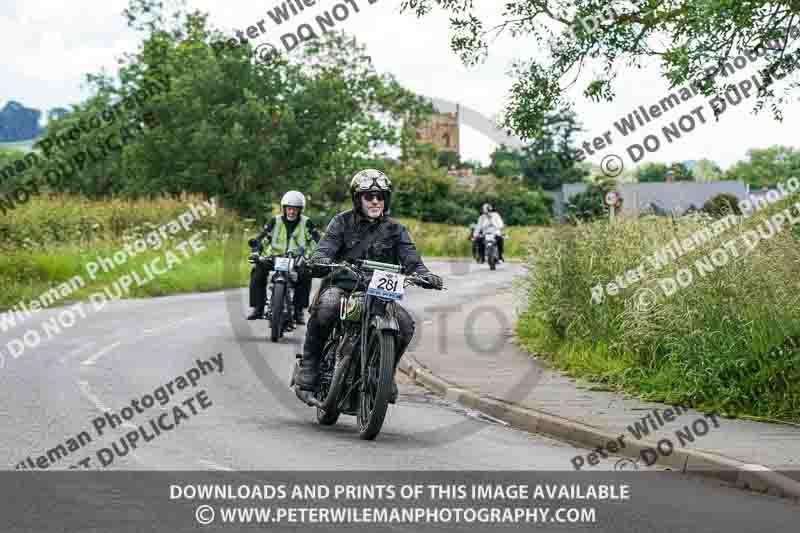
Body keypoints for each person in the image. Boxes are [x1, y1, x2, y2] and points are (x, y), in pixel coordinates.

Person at [294, 169, 443, 405]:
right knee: (328, 306)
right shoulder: (341, 222)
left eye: (380, 196)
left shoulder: (397, 229)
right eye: (369, 196)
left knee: (404, 325)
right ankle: (310, 366)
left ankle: (384, 374)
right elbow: (325, 248)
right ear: (357, 198)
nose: (375, 201)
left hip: (380, 295)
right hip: (345, 287)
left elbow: (412, 260)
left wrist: (425, 275)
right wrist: (320, 260)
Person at [246, 191, 321, 324]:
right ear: (284, 208)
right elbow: (262, 238)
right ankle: (258, 307)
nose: (291, 212)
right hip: (275, 257)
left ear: (300, 210)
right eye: (289, 208)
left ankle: (298, 311)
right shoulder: (275, 221)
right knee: (257, 270)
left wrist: (319, 255)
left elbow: (317, 241)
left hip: (297, 259)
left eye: (295, 209)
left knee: (305, 273)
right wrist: (256, 251)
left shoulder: (307, 223)